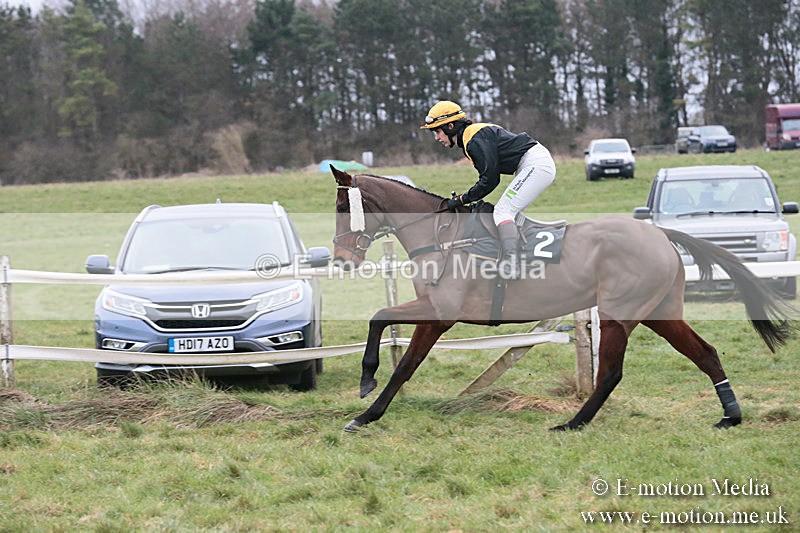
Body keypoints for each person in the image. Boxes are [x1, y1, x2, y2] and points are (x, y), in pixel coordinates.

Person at [420, 100, 556, 279]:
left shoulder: (473, 138)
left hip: (535, 164)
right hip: (531, 163)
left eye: (437, 131)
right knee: (509, 212)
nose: (437, 138)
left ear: (451, 126)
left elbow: (490, 180)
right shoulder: (471, 136)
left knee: (502, 212)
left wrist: (462, 199)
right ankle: (521, 254)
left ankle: (512, 264)